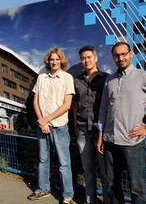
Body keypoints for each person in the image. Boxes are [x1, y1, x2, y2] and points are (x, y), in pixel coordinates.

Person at [97, 41, 146, 204]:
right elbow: (103, 109)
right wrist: (100, 136)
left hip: (132, 141)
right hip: (110, 140)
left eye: (124, 54)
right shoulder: (109, 81)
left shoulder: (143, 77)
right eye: (116, 55)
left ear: (131, 54)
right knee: (111, 184)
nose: (120, 58)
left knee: (137, 188)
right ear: (113, 58)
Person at [27, 48, 75, 204]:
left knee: (64, 163)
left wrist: (46, 119)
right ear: (48, 61)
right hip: (43, 126)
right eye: (51, 59)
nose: (54, 62)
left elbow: (67, 105)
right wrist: (42, 121)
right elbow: (35, 102)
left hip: (59, 126)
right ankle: (43, 189)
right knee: (43, 160)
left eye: (57, 59)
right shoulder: (41, 78)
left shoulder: (67, 78)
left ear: (61, 61)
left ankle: (67, 196)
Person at [73, 45, 109, 204]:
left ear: (96, 58)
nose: (86, 60)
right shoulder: (76, 81)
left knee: (105, 171)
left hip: (101, 132)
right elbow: (74, 106)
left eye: (89, 57)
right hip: (83, 131)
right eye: (83, 58)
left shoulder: (107, 79)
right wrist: (75, 128)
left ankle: (108, 200)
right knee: (88, 171)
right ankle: (91, 201)